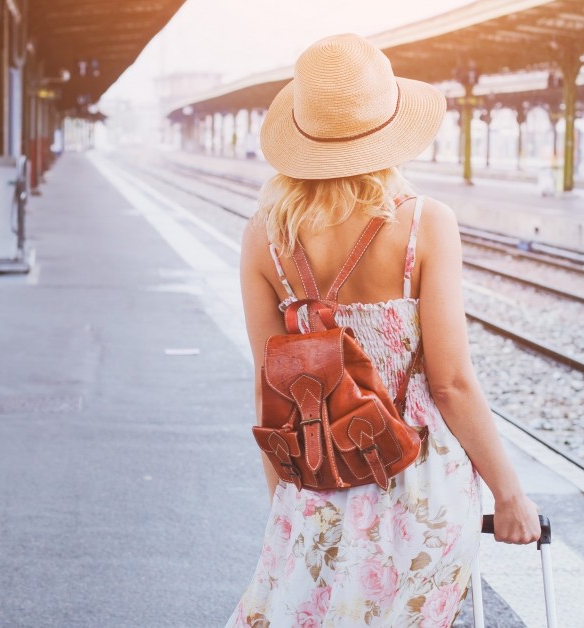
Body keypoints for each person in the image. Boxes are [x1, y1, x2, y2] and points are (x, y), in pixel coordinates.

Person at [228, 33, 542, 627]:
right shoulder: (426, 225)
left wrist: (287, 503)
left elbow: (270, 389)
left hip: (317, 483)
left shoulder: (263, 237)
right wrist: (510, 496)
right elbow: (451, 383)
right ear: (389, 130)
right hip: (420, 488)